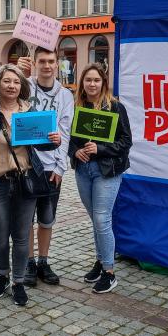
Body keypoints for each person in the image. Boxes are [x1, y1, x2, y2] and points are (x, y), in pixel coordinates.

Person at [0, 64, 60, 306]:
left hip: (25, 180)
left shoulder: (29, 111)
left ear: (22, 86)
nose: (12, 86)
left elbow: (42, 144)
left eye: (16, 82)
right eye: (7, 81)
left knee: (20, 236)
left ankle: (17, 282)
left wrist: (54, 141)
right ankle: (2, 276)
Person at [69, 63, 132, 294]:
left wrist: (101, 149)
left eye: (96, 80)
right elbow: (68, 137)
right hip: (83, 170)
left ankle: (109, 272)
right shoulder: (77, 107)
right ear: (82, 84)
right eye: (88, 80)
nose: (92, 84)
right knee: (95, 218)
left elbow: (126, 143)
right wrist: (74, 151)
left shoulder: (115, 107)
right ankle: (100, 260)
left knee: (102, 219)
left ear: (103, 83)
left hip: (107, 171)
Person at [17, 48, 74, 286]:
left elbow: (65, 132)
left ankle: (43, 261)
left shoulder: (65, 95)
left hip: (51, 167)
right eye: (42, 61)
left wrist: (61, 168)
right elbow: (1, 92)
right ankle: (28, 262)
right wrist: (18, 72)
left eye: (51, 61)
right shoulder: (24, 86)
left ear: (57, 63)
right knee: (27, 217)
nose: (47, 65)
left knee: (47, 218)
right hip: (26, 163)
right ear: (35, 63)